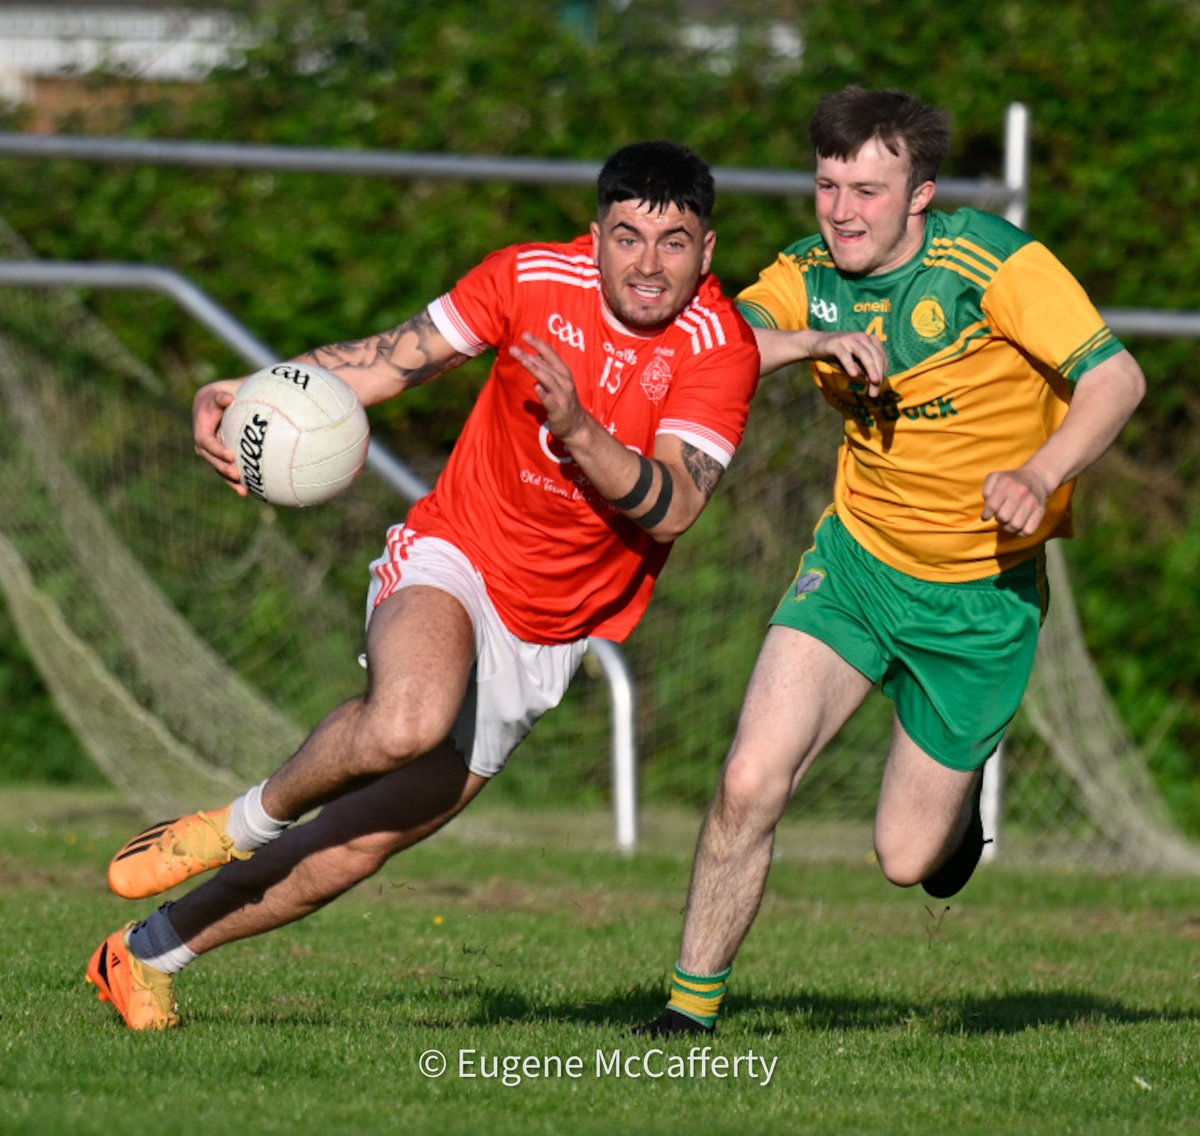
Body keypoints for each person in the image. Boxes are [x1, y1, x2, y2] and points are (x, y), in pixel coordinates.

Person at [86, 140, 761, 1030]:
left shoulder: (721, 348)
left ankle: (140, 955)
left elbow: (671, 507)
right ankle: (231, 825)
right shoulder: (525, 278)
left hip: (550, 632)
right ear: (592, 234)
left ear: (706, 253)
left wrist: (581, 430)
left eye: (673, 242)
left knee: (356, 846)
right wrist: (256, 394)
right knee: (409, 717)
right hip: (456, 552)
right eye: (626, 236)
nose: (646, 263)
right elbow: (389, 360)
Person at [639, 87, 1145, 1038]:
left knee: (907, 860)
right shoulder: (808, 272)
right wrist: (813, 339)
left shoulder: (990, 262)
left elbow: (1117, 377)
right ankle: (687, 1016)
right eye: (827, 186)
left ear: (921, 194)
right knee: (751, 778)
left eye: (868, 190)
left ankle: (951, 828)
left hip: (980, 597)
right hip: (859, 565)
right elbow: (717, 347)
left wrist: (1039, 475)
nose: (842, 212)